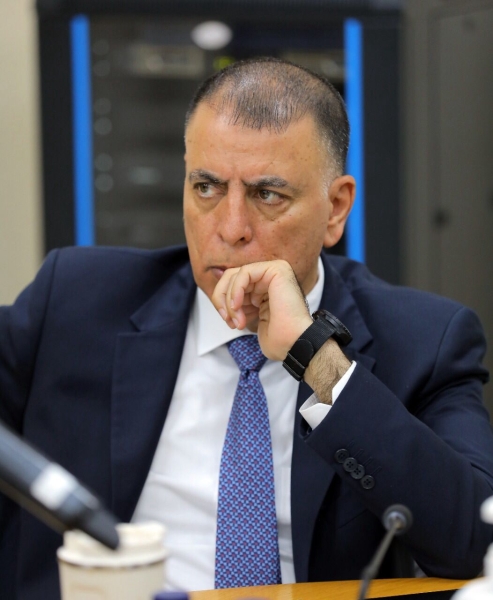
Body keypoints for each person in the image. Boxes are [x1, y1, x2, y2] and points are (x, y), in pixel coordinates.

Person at [1, 57, 493, 600]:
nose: (231, 228)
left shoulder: (425, 340)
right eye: (206, 187)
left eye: (267, 195)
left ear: (335, 209)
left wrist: (316, 357)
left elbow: (474, 542)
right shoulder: (75, 299)